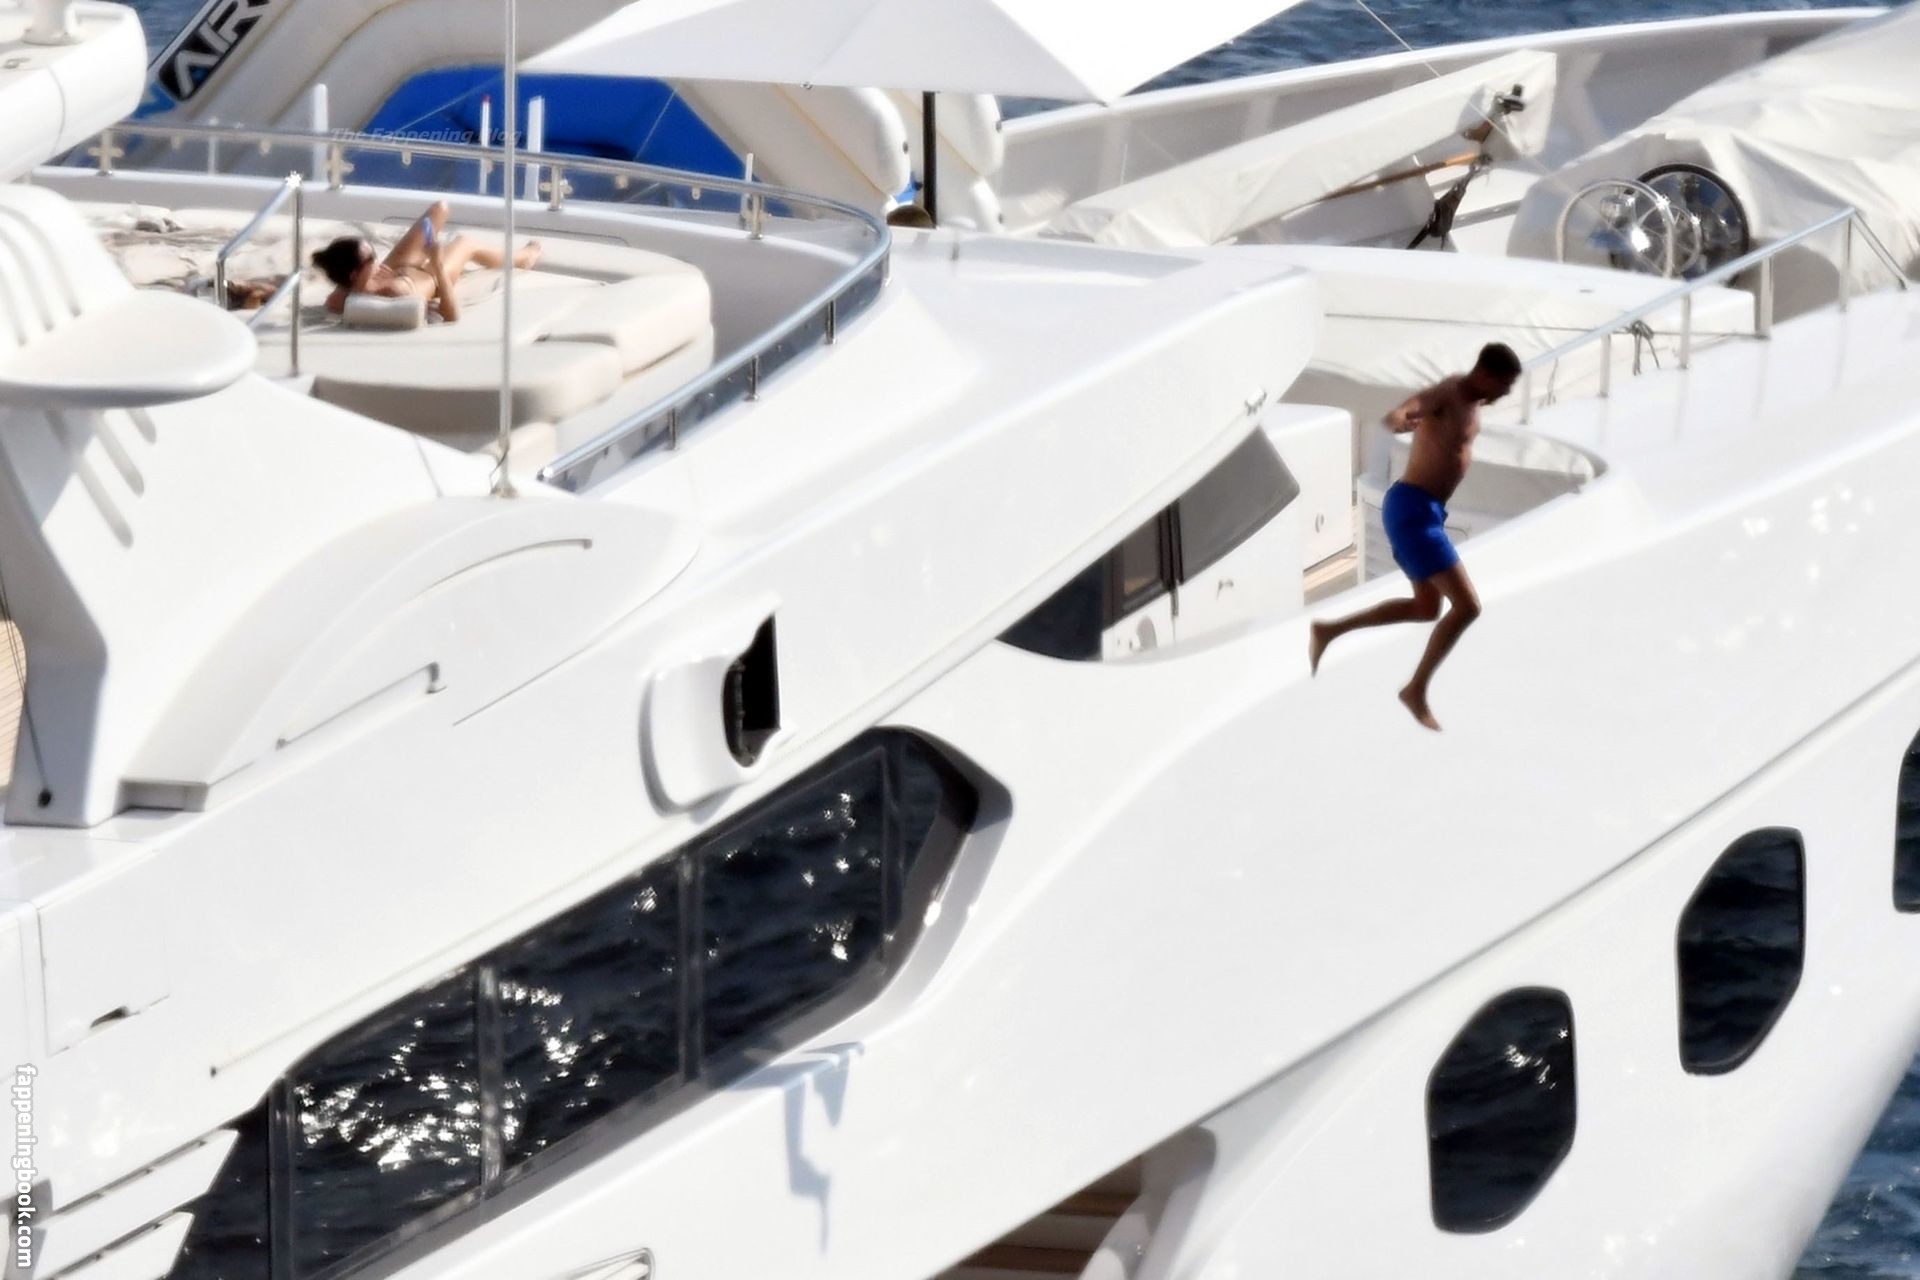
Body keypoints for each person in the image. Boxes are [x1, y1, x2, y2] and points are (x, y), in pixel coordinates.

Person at [1307, 342, 1523, 732]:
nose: (1506, 394)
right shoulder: (1450, 393)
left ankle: (1328, 630)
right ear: (1486, 375)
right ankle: (1416, 690)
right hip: (1414, 511)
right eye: (1504, 385)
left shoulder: (1472, 403)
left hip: (1423, 511)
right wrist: (1399, 418)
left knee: (1426, 608)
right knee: (1467, 607)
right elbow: (1412, 406)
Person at [309, 200, 542, 324]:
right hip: (433, 276)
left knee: (440, 208)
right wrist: (438, 265)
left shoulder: (340, 295)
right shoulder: (395, 293)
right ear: (354, 273)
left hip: (400, 267)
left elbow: (337, 303)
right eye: (371, 258)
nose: (376, 258)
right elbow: (451, 316)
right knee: (465, 243)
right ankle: (524, 257)